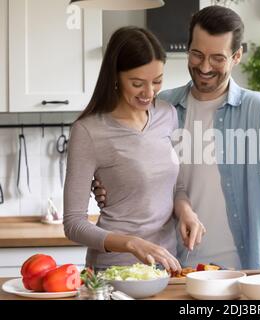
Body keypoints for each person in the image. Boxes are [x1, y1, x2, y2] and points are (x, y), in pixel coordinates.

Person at [93, 6, 260, 270]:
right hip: (170, 269)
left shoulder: (259, 112)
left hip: (242, 272)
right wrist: (108, 185)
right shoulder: (159, 108)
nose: (204, 67)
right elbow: (130, 167)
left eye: (217, 58)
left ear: (236, 56)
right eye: (197, 54)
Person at [64, 26, 205, 273]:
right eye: (137, 83)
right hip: (113, 270)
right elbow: (73, 223)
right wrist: (130, 243)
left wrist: (186, 212)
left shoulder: (167, 114)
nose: (149, 93)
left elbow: (174, 185)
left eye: (157, 81)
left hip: (165, 266)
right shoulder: (88, 130)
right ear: (115, 77)